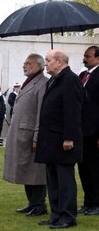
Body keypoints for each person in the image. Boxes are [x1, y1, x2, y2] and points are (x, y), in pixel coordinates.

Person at [35, 49, 83, 229]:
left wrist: (69, 138)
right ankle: (56, 214)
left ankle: (68, 216)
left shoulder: (71, 80)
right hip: (50, 140)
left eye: (48, 60)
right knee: (53, 180)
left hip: (63, 141)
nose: (45, 63)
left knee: (65, 181)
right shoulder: (55, 80)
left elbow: (73, 112)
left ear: (60, 61)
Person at [3, 53, 48, 218]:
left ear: (38, 66)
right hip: (21, 134)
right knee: (26, 170)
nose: (24, 65)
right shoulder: (29, 81)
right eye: (24, 63)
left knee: (36, 171)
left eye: (28, 63)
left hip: (30, 135)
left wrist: (37, 136)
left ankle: (39, 204)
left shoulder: (42, 83)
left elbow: (41, 113)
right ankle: (32, 203)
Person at [77, 45, 99, 215]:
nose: (84, 59)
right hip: (81, 132)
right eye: (84, 56)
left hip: (94, 132)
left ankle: (97, 203)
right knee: (83, 169)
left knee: (95, 169)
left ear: (98, 58)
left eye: (88, 56)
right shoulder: (82, 75)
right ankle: (88, 202)